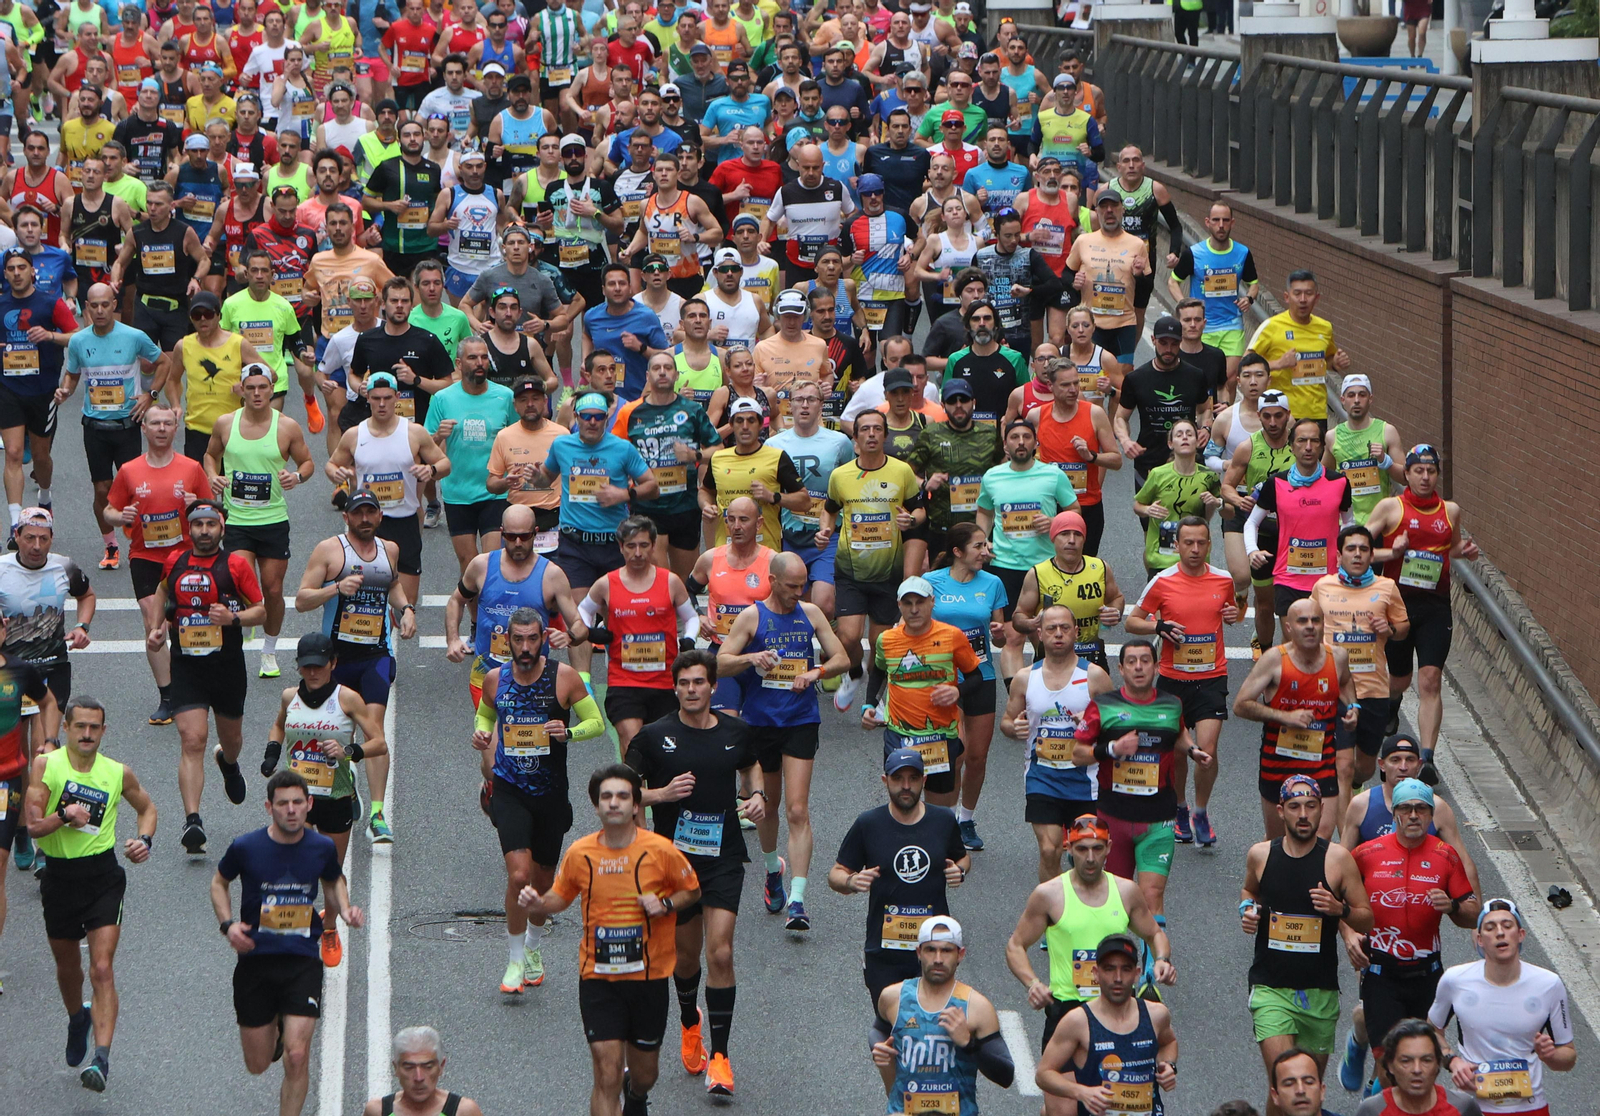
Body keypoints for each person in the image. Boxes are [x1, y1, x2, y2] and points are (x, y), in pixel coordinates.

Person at [517, 764, 701, 1116]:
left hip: (649, 977)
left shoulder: (661, 851)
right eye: (606, 797)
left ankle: (636, 1095)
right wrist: (540, 903)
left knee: (645, 1074)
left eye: (622, 796)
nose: (613, 803)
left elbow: (691, 892)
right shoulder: (580, 853)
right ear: (597, 806)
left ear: (635, 805)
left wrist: (664, 904)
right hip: (599, 978)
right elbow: (561, 896)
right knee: (606, 1073)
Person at [626, 650, 763, 1096]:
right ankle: (690, 1022)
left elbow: (750, 765)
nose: (691, 690)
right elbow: (620, 794)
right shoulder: (653, 737)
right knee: (685, 960)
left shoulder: (736, 732)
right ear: (675, 687)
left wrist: (756, 793)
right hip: (675, 863)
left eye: (699, 683)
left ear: (712, 686)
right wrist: (661, 794)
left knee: (720, 954)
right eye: (683, 683)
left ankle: (720, 1059)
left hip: (723, 856)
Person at [24, 695, 156, 1093]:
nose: (86, 734)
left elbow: (147, 808)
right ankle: (76, 1018)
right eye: (79, 726)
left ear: (103, 731)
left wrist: (144, 840)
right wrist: (64, 815)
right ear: (65, 728)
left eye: (94, 727)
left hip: (102, 876)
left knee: (101, 968)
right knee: (69, 970)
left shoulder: (117, 773)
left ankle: (100, 1059)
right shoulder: (47, 766)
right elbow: (32, 828)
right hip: (59, 878)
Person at [212, 770, 362, 1116]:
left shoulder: (321, 847)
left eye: (298, 802)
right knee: (258, 1063)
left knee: (297, 1055)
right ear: (269, 807)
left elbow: (334, 879)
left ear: (309, 805)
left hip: (302, 959)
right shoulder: (246, 847)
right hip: (256, 960)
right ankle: (275, 1029)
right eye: (283, 804)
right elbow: (219, 883)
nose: (291, 810)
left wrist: (345, 907)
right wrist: (228, 925)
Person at [714, 550, 849, 930]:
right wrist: (752, 658)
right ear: (772, 581)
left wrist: (815, 672)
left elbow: (842, 658)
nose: (798, 591)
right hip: (760, 724)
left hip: (800, 720)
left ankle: (798, 900)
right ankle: (773, 870)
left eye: (802, 585)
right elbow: (720, 661)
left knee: (797, 810)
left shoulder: (811, 613)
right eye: (791, 586)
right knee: (768, 807)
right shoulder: (753, 616)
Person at [472, 607, 604, 993]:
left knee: (544, 882)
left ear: (544, 638)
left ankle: (532, 946)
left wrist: (569, 733)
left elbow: (596, 723)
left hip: (550, 794)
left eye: (533, 639)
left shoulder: (563, 678)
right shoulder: (496, 679)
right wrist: (480, 734)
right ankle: (513, 961)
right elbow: (484, 716)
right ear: (508, 640)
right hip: (510, 789)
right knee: (519, 876)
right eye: (518, 640)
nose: (525, 647)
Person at [1241, 777, 1373, 1116]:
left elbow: (1366, 919)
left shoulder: (1338, 860)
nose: (1303, 815)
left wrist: (1339, 909)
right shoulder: (1261, 854)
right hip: (1271, 987)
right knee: (1284, 1084)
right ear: (1281, 810)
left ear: (1320, 810)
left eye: (1311, 806)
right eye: (1295, 807)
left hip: (1319, 991)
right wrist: (1248, 911)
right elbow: (1249, 891)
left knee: (1305, 1097)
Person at [293, 491, 418, 846]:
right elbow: (302, 599)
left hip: (376, 655)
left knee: (373, 730)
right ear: (346, 517)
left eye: (370, 513)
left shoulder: (389, 550)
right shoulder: (329, 551)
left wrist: (406, 609)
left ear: (379, 517)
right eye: (357, 513)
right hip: (336, 659)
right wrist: (336, 587)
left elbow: (392, 583)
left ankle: (378, 813)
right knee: (337, 736)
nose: (364, 519)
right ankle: (346, 789)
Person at [259, 631, 387, 967]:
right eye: (305, 667)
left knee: (329, 870)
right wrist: (273, 754)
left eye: (318, 666)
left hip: (335, 796)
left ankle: (329, 927)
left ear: (333, 663)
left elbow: (379, 743)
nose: (312, 673)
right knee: (292, 865)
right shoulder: (290, 697)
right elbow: (278, 727)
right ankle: (289, 927)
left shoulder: (348, 700)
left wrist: (349, 750)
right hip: (297, 800)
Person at [146, 499, 267, 854]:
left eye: (210, 525)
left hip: (227, 667)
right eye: (197, 525)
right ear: (190, 528)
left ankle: (228, 764)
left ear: (221, 528)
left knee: (232, 741)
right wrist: (155, 628)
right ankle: (192, 821)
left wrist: (233, 619)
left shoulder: (236, 565)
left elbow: (261, 610)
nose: (203, 531)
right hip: (187, 666)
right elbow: (162, 590)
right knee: (192, 738)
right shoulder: (176, 561)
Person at [1005, 815, 1176, 1064]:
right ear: (1069, 849)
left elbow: (1154, 933)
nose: (1090, 857)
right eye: (1082, 849)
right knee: (1061, 1098)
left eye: (1097, 849)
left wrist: (1162, 960)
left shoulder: (1126, 891)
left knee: (1114, 1092)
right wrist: (1033, 984)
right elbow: (1015, 946)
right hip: (1067, 1008)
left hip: (1117, 1008)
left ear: (1109, 848)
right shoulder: (1049, 894)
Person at [1347, 778, 1480, 1089]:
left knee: (1424, 1065)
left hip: (1427, 975)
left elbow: (1473, 911)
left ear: (1431, 815)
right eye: (1406, 809)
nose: (1413, 815)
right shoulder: (1366, 854)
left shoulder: (1445, 856)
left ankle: (1377, 1099)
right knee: (1390, 1065)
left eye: (1421, 809)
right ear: (1394, 813)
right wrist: (1348, 934)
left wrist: (1452, 908)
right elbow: (1341, 901)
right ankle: (1376, 1099)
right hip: (1381, 973)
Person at [525, 393, 659, 678]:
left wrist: (624, 493)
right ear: (577, 418)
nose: (593, 422)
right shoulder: (562, 445)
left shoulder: (622, 449)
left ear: (606, 420)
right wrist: (531, 475)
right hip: (576, 544)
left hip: (614, 546)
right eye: (587, 416)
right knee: (578, 617)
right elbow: (544, 479)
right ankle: (583, 684)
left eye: (599, 417)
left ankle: (624, 676)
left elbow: (652, 485)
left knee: (619, 614)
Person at [1126, 516, 1240, 846]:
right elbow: (1133, 622)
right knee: (1178, 752)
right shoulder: (1162, 581)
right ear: (1175, 545)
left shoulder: (1222, 580)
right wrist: (1157, 627)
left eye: (1200, 543)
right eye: (1187, 543)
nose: (1194, 549)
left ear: (1209, 545)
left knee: (1207, 748)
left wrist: (1232, 615)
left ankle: (1201, 811)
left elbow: (1230, 610)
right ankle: (1179, 807)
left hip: (1211, 677)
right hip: (1173, 679)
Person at [1079, 637, 1210, 923]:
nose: (1139, 667)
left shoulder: (1172, 703)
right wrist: (1112, 749)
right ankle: (1114, 963)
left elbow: (1177, 733)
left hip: (1158, 818)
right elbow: (1078, 753)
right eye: (1131, 662)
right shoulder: (1102, 706)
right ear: (1121, 669)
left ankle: (1153, 966)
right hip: (1114, 816)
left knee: (1152, 894)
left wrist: (1192, 749)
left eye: (1145, 661)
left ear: (1156, 667)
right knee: (1115, 896)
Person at [830, 747, 970, 1014]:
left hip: (935, 951)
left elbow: (962, 858)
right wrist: (851, 881)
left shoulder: (942, 820)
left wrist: (960, 871)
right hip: (884, 952)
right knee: (893, 1030)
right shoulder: (869, 824)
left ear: (924, 780)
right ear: (885, 781)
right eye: (898, 779)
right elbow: (835, 874)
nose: (906, 786)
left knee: (930, 1028)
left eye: (913, 778)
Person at [1366, 445, 1479, 766]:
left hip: (1435, 607)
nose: (1425, 477)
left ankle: (1427, 757)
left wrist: (1464, 551)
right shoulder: (1390, 508)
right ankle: (1390, 704)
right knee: (1399, 680)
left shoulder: (1450, 511)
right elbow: (1356, 551)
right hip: (1397, 607)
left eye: (1431, 472)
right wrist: (1392, 552)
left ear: (1437, 476)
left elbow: (1451, 546)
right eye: (1419, 471)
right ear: (1407, 473)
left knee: (1430, 679)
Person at [206, 364, 314, 680]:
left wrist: (295, 476)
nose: (256, 393)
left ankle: (269, 649)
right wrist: (213, 476)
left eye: (262, 387)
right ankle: (243, 629)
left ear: (272, 388)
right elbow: (210, 455)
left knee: (273, 588)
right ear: (241, 389)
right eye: (250, 387)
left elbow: (307, 462)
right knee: (239, 583)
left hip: (273, 519)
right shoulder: (226, 423)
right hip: (237, 519)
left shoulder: (287, 427)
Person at [103, 405, 209, 724]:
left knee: (184, 627)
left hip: (186, 558)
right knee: (154, 626)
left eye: (167, 423)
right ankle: (168, 696)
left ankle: (192, 688)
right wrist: (119, 517)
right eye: (155, 423)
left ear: (176, 428)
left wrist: (200, 505)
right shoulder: (130, 470)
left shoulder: (191, 468)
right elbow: (108, 510)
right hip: (145, 557)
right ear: (144, 430)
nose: (161, 428)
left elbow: (215, 514)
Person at [1429, 899, 1576, 1115]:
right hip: (1472, 1105)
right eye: (1490, 928)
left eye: (1507, 926)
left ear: (1521, 935)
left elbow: (1568, 1057)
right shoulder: (1455, 980)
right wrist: (1453, 1061)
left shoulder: (1548, 984)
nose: (1500, 933)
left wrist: (1551, 1055)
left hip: (1530, 1107)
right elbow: (1431, 1031)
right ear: (1479, 939)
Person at [1000, 600, 1113, 881]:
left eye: (1064, 628)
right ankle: (1054, 915)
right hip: (1042, 777)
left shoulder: (1095, 677)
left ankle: (1086, 913)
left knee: (1088, 855)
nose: (1058, 634)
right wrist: (1014, 728)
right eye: (1051, 628)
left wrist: (1089, 726)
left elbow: (1116, 725)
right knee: (1050, 849)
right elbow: (1006, 720)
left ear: (1076, 632)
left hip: (1086, 780)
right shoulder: (1025, 678)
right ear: (1039, 634)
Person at [326, 362, 453, 611]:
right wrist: (337, 473)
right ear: (368, 398)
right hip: (366, 523)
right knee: (367, 600)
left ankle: (393, 641)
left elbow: (444, 463)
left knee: (407, 603)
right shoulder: (355, 434)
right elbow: (331, 465)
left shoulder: (414, 433)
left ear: (397, 397)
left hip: (404, 521)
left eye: (387, 398)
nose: (382, 404)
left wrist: (431, 470)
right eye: (376, 398)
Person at [821, 411, 925, 710]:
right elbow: (829, 509)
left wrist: (910, 520)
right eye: (864, 429)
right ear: (855, 438)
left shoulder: (901, 471)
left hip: (887, 571)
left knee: (880, 647)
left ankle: (875, 703)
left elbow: (919, 510)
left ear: (884, 435)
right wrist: (825, 529)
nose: (871, 434)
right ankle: (854, 672)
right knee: (848, 636)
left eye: (877, 429)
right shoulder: (841, 475)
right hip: (850, 570)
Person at [1234, 598, 1358, 839]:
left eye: (1315, 620)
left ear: (1324, 625)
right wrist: (1285, 717)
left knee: (1320, 839)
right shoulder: (1273, 660)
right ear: (1289, 627)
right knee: (1279, 843)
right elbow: (1241, 705)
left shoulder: (1338, 657)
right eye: (1302, 621)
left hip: (1322, 762)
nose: (1310, 626)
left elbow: (1344, 681)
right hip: (1278, 764)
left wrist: (1353, 706)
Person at [446, 503, 588, 711]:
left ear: (535, 533)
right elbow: (456, 601)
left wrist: (569, 637)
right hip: (486, 676)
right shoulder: (481, 566)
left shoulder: (552, 575)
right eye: (511, 537)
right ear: (502, 533)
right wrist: (453, 639)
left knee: (522, 740)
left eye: (525, 536)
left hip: (534, 680)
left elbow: (579, 624)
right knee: (492, 740)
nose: (518, 543)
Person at [976, 419, 1079, 693]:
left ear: (1036, 443)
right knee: (1012, 637)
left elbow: (1075, 511)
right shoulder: (992, 476)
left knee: (1044, 636)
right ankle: (1017, 696)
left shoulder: (1053, 475)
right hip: (1005, 566)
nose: (1020, 442)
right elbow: (985, 511)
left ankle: (1048, 687)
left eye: (1026, 437)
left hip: (1045, 567)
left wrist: (1054, 522)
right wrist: (981, 540)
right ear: (1005, 444)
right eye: (1014, 437)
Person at [871, 915, 1015, 1109]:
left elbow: (1005, 1075)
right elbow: (878, 1030)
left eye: (946, 951)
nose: (938, 959)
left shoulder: (976, 1007)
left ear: (960, 954)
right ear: (919, 953)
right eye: (931, 950)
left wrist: (968, 1043)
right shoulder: (893, 997)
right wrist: (879, 1047)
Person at [580, 516, 697, 753]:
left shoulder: (670, 582)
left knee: (663, 749)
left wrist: (688, 640)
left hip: (664, 681)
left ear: (653, 546)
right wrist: (591, 632)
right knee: (632, 744)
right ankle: (632, 790)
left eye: (644, 545)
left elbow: (691, 617)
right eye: (631, 546)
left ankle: (657, 790)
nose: (638, 553)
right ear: (621, 547)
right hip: (623, 681)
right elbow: (583, 609)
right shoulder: (607, 583)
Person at [1312, 525, 1410, 809]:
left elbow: (1403, 628)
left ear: (1371, 555)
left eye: (1364, 550)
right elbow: (1308, 623)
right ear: (1339, 555)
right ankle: (1344, 833)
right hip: (1333, 689)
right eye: (1351, 549)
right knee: (1341, 767)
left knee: (1363, 768)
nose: (1357, 555)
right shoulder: (1323, 587)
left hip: (1373, 689)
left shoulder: (1386, 587)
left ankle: (1352, 788)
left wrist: (1389, 629)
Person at [1036, 931, 1180, 1116]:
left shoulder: (1156, 1015)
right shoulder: (1078, 1022)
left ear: (1137, 974)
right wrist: (1082, 1092)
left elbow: (1168, 1042)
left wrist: (1168, 1065)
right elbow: (1044, 1074)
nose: (1118, 978)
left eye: (1126, 969)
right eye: (1109, 969)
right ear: (1096, 973)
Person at [611, 351, 722, 583]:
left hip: (685, 504)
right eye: (656, 368)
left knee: (684, 578)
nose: (662, 372)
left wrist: (695, 454)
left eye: (668, 368)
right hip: (648, 505)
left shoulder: (692, 411)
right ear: (647, 375)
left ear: (676, 374)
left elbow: (719, 449)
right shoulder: (630, 412)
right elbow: (616, 455)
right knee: (658, 575)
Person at [1245, 419, 1353, 639]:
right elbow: (1251, 522)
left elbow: (1350, 524)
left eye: (1315, 441)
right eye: (1302, 441)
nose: (1308, 447)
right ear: (1291, 446)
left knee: (1323, 642)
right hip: (1288, 578)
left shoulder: (1339, 482)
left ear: (1322, 446)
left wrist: (1346, 553)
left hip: (1328, 577)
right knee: (1295, 641)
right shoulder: (1276, 483)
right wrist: (1252, 550)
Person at [424, 337, 518, 573]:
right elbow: (425, 448)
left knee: (492, 563)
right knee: (469, 566)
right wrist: (437, 436)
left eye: (484, 357)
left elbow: (519, 435)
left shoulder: (505, 396)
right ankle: (476, 613)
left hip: (495, 491)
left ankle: (491, 611)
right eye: (473, 357)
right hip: (458, 493)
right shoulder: (443, 398)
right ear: (458, 363)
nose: (480, 362)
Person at [0, 248, 77, 530]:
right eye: (11, 269)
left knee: (41, 458)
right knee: (14, 453)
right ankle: (15, 522)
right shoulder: (1, 304)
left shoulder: (50, 303)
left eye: (22, 267)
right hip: (7, 388)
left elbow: (77, 336)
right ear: (5, 273)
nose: (17, 273)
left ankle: (44, 496)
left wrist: (50, 335)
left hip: (43, 390)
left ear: (33, 271)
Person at [767, 378, 855, 619]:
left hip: (826, 536)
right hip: (789, 536)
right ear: (790, 405)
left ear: (821, 405)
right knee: (791, 605)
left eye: (811, 400)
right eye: (799, 400)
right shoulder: (773, 444)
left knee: (824, 604)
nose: (805, 405)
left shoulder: (839, 442)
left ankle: (832, 648)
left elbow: (849, 486)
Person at [1223, 383, 1296, 657]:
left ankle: (1293, 660)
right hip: (1263, 531)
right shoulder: (1247, 447)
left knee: (1290, 606)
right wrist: (1237, 499)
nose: (1273, 422)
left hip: (1294, 535)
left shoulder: (1300, 444)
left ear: (1288, 414)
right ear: (1260, 416)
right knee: (1265, 604)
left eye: (1279, 415)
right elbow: (1227, 486)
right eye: (1267, 416)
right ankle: (1265, 652)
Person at [1009, 508, 1125, 674]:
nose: (1071, 540)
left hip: (1092, 656)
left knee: (1099, 700)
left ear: (1084, 540)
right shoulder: (1037, 574)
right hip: (1050, 660)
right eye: (1064, 534)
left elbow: (1117, 597)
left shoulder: (1100, 568)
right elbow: (1018, 617)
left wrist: (1115, 611)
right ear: (1053, 538)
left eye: (1077, 535)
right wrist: (1031, 623)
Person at [1114, 314, 1213, 499]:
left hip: (1187, 461)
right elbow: (1120, 417)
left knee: (1189, 523)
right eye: (1163, 342)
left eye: (1174, 344)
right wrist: (1125, 440)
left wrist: (1206, 427)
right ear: (1153, 340)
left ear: (1181, 342)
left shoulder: (1195, 376)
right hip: (1149, 460)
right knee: (1150, 520)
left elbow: (1205, 408)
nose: (1168, 349)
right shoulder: (1136, 379)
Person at [1244, 270, 1351, 426]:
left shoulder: (1324, 328)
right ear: (1287, 297)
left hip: (1316, 412)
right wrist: (1279, 363)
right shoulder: (1271, 326)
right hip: (1281, 413)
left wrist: (1336, 363)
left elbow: (1326, 361)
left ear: (1317, 298)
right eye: (1297, 294)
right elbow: (1246, 363)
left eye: (1308, 294)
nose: (1303, 300)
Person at [1168, 201, 1259, 384]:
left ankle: (1224, 412)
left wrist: (1249, 298)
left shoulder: (1242, 253)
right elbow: (1172, 281)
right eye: (1216, 220)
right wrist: (1186, 306)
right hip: (1203, 326)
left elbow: (1254, 283)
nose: (1221, 225)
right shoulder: (1194, 253)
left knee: (1229, 378)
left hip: (1231, 324)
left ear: (1232, 223)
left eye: (1225, 221)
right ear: (1207, 222)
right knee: (1203, 379)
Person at [1133, 415, 1223, 578]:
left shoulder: (1209, 476)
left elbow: (1224, 512)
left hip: (1195, 556)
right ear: (1170, 444)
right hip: (1162, 558)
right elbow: (1137, 506)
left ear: (1197, 442)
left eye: (1189, 434)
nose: (1185, 438)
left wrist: (1216, 503)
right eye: (1179, 434)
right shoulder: (1158, 474)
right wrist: (1148, 509)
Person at [1064, 191, 1149, 363]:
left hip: (1123, 324)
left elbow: (1146, 288)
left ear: (1122, 209)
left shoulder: (1137, 244)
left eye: (1114, 206)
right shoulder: (1083, 241)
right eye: (1103, 207)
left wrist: (1139, 276)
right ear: (1097, 211)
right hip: (1091, 324)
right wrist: (1074, 282)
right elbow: (1066, 274)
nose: (1109, 211)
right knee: (1090, 376)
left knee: (1122, 377)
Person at [1353, 1019, 1484, 1116]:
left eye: (1426, 1060)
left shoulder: (1463, 1107)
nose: (1417, 1069)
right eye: (1406, 1061)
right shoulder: (1371, 1111)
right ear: (1390, 1066)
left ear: (1437, 1064)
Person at [1323, 374, 1406, 528]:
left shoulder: (1387, 431)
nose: (1356, 400)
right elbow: (1323, 478)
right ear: (1343, 400)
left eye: (1362, 395)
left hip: (1379, 522)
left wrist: (1385, 461)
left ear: (1370, 399)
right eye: (1351, 395)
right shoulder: (1332, 436)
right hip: (1346, 524)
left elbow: (1405, 477)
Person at [364, 1026, 487, 1116]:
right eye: (409, 1067)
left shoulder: (464, 1111)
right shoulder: (377, 1111)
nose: (419, 1078)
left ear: (441, 1066)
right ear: (396, 1068)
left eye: (428, 1067)